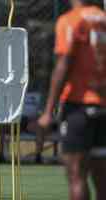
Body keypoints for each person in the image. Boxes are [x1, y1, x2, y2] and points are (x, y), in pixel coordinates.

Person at [38, 0, 106, 200]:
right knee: (102, 181)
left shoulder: (70, 20)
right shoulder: (102, 18)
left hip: (78, 106)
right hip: (103, 107)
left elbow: (63, 65)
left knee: (77, 176)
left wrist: (48, 112)